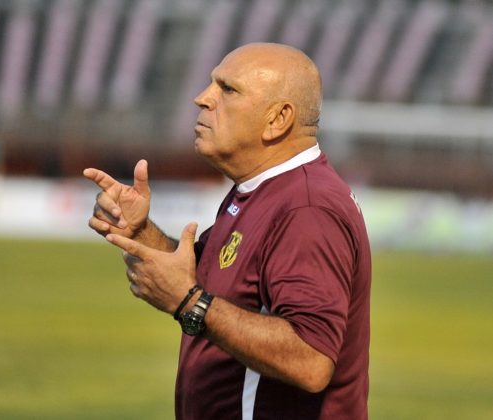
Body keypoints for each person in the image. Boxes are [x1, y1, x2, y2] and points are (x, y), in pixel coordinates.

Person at [83, 43, 371, 420]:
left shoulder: (306, 208)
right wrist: (139, 231)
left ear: (278, 119)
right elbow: (214, 282)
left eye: (228, 89)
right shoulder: (263, 188)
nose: (202, 98)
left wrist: (190, 304)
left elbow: (311, 358)